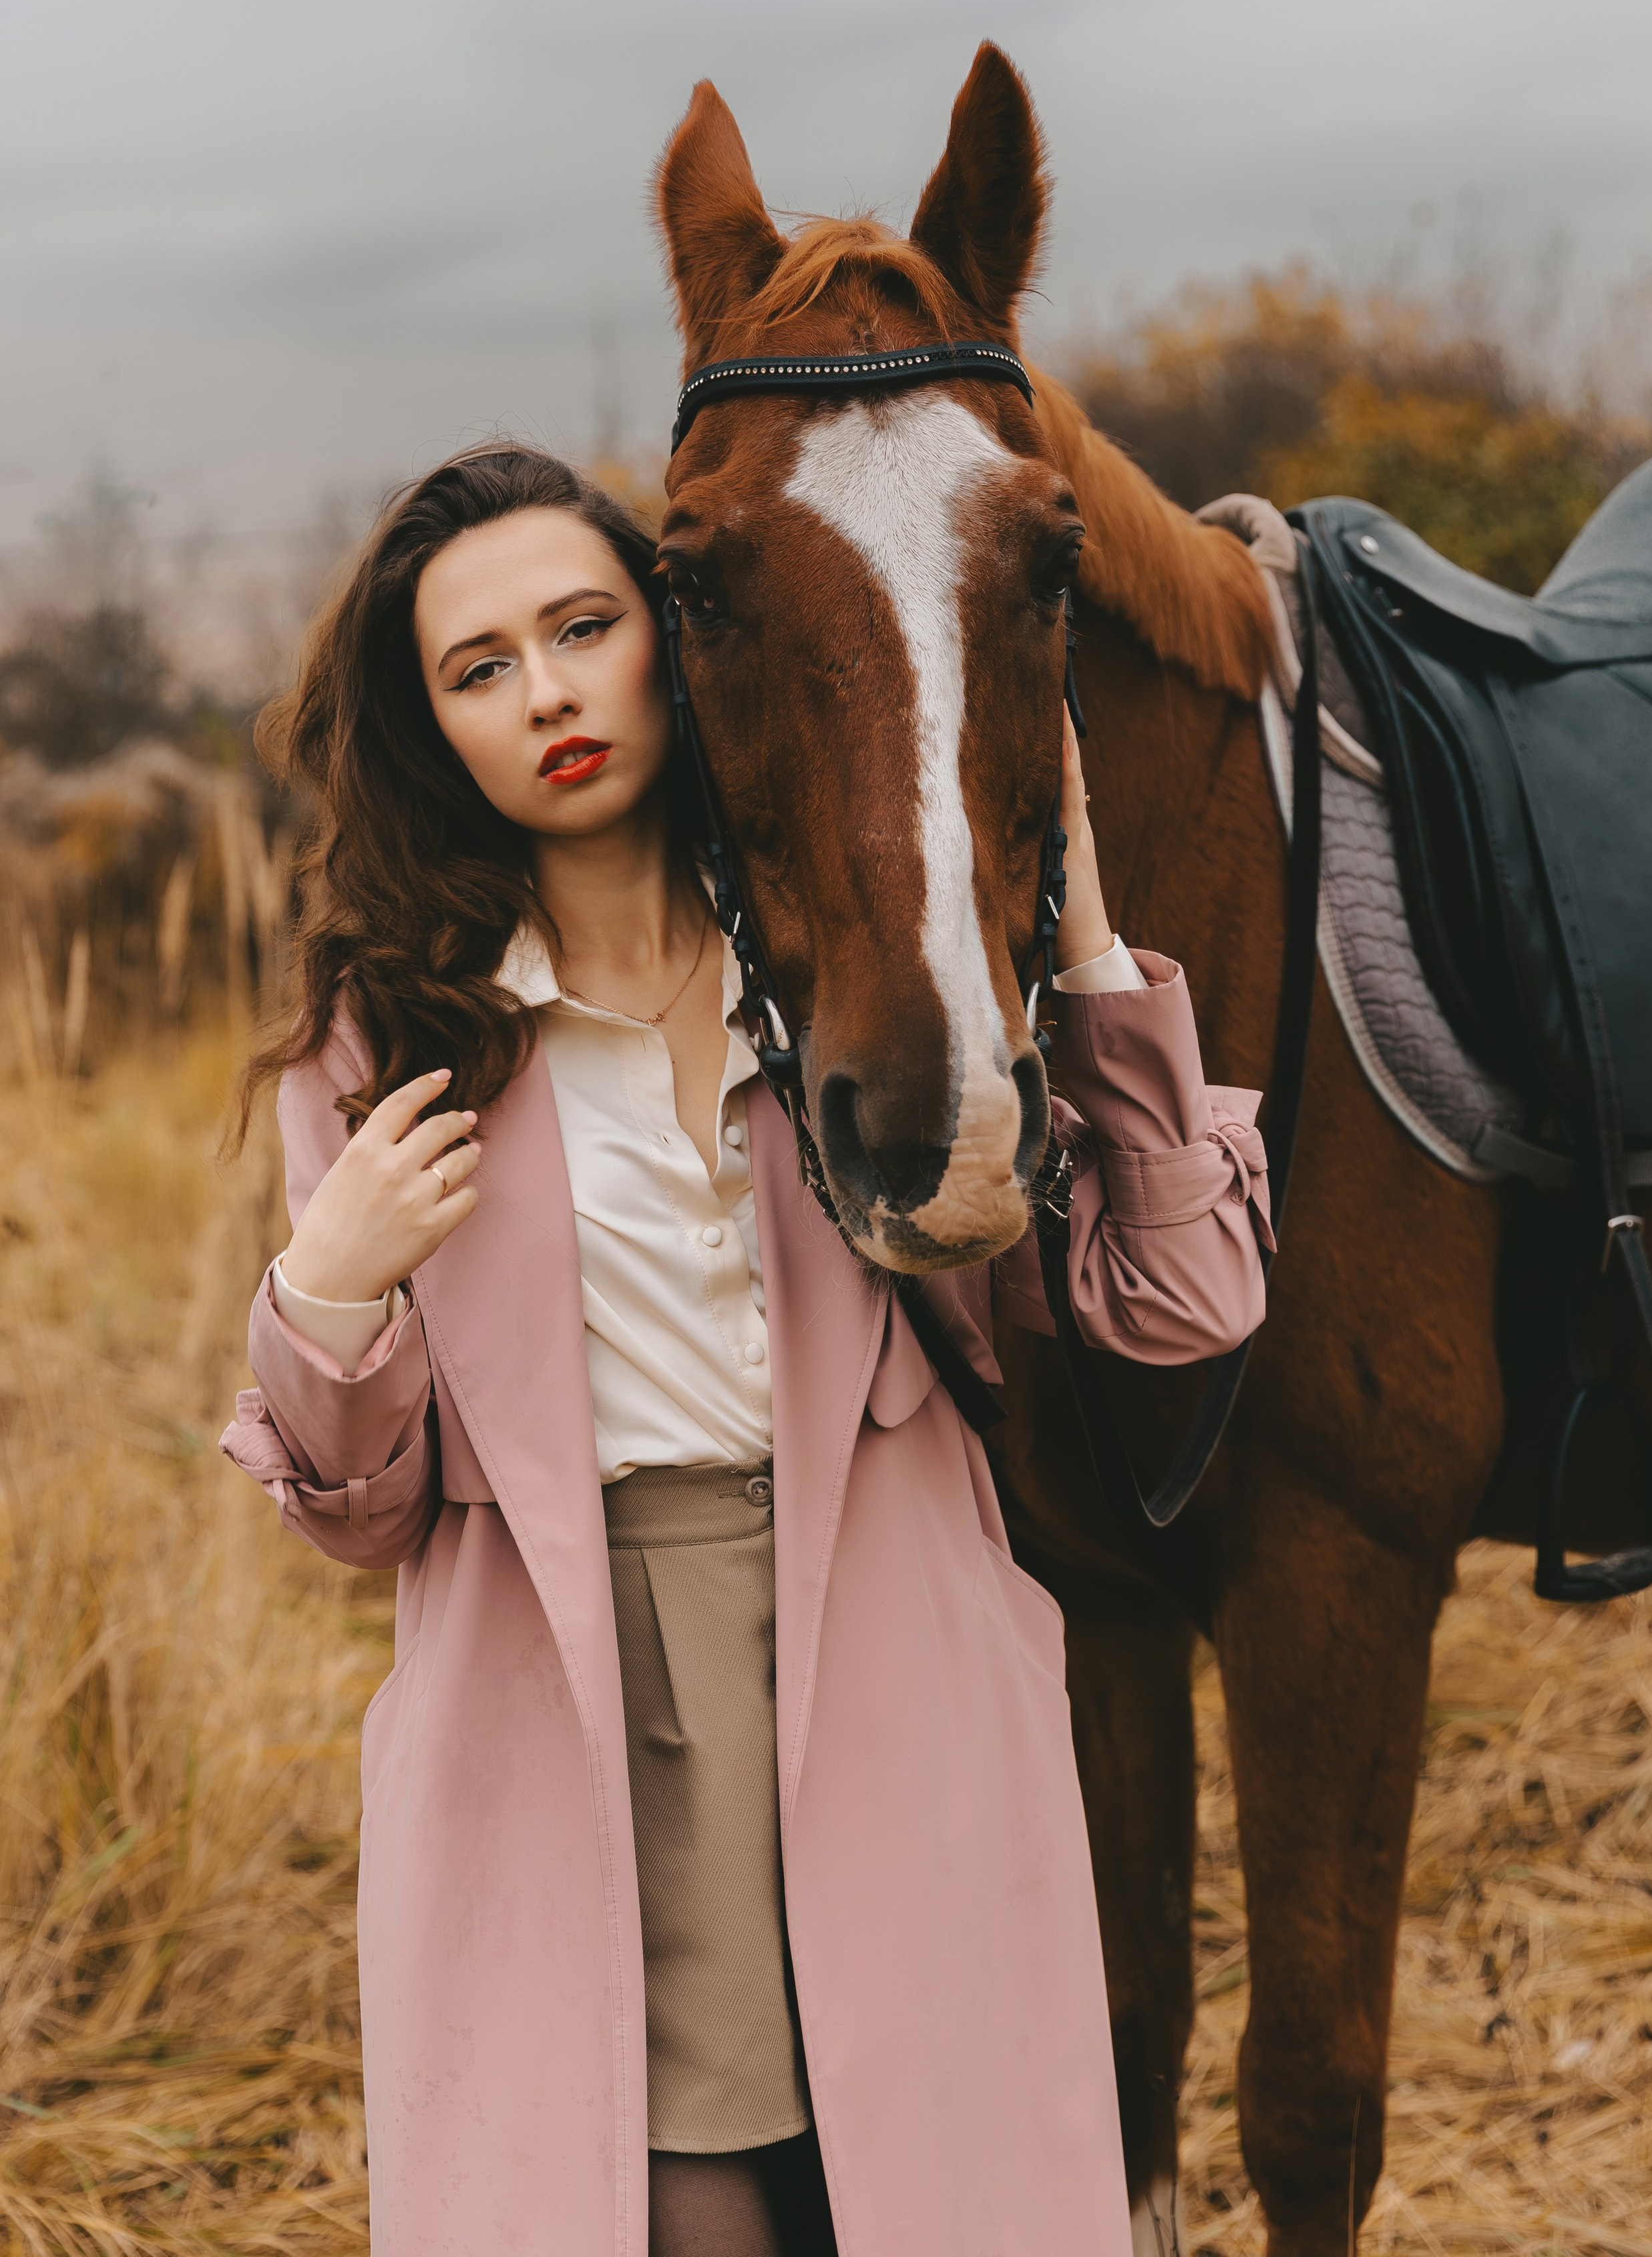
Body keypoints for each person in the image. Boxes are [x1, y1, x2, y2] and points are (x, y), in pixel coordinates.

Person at [222, 442, 1271, 2257]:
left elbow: (1183, 1301)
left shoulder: (860, 971)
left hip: (900, 1654)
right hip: (570, 1709)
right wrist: (326, 1289)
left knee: (922, 2188)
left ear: (678, 635)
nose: (546, 694)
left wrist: (1090, 944)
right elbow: (367, 1519)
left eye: (583, 628)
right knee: (684, 2206)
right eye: (479, 668)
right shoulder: (387, 1035)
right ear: (431, 729)